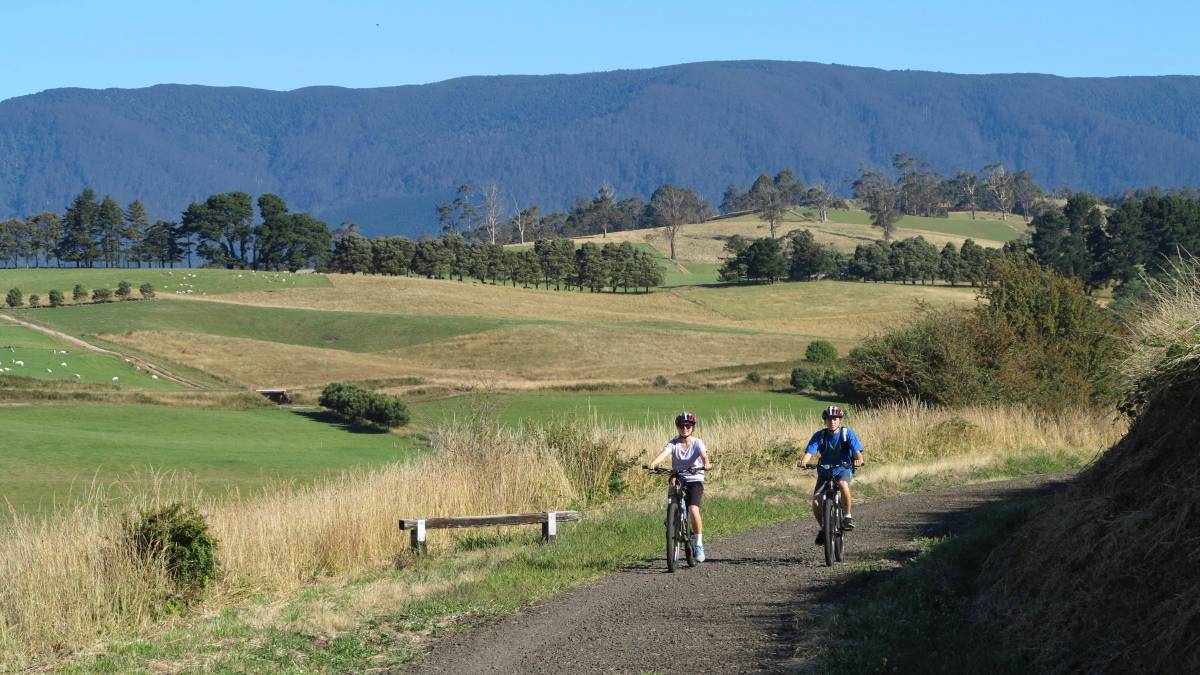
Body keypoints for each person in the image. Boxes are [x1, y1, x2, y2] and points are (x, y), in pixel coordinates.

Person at [645, 411, 712, 562]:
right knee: (672, 481)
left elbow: (704, 456)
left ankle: (699, 543)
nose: (685, 428)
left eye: (688, 426)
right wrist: (653, 463)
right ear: (677, 427)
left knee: (693, 509)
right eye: (681, 426)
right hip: (680, 477)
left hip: (695, 479)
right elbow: (664, 453)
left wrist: (706, 464)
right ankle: (671, 515)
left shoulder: (697, 443)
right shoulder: (673, 443)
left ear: (692, 427)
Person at [799, 405, 864, 546]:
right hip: (824, 471)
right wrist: (804, 462)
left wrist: (859, 458)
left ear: (840, 420)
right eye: (829, 419)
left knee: (842, 484)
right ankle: (824, 527)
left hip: (843, 469)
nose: (832, 421)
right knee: (816, 501)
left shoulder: (847, 433)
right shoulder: (820, 435)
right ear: (825, 421)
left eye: (835, 419)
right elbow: (810, 452)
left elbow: (856, 450)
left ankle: (847, 517)